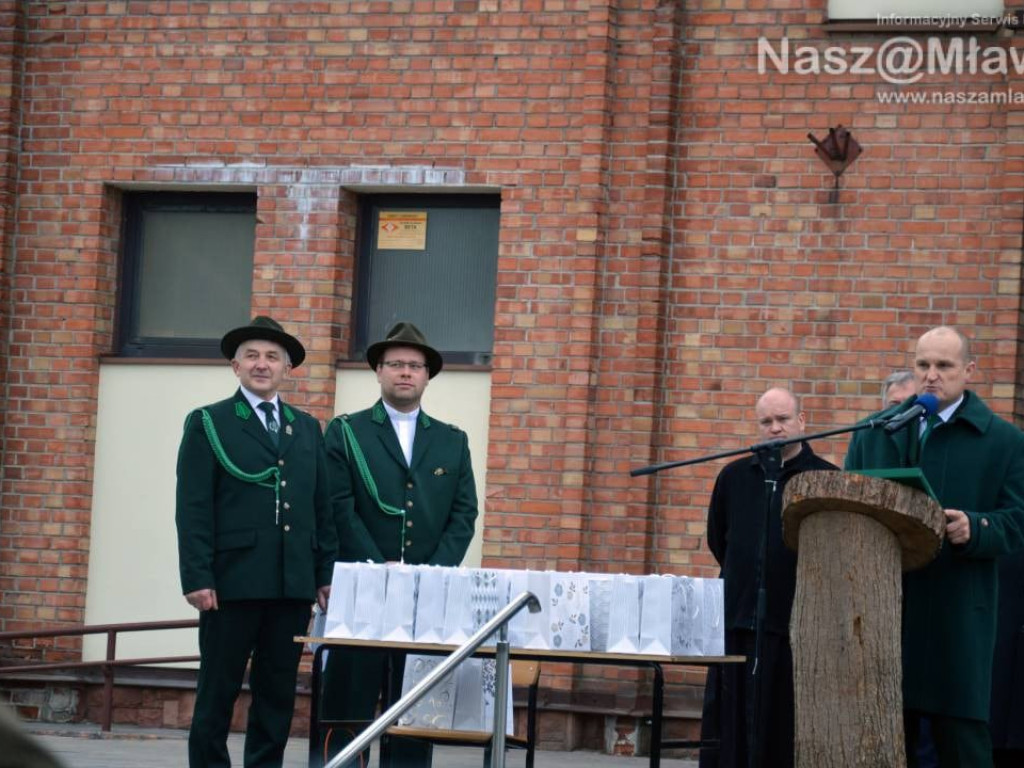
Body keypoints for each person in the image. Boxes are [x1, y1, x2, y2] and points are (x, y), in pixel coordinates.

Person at [845, 326, 1024, 768]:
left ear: (969, 371)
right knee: (882, 739)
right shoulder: (874, 432)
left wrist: (977, 528)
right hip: (885, 609)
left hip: (958, 612)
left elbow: (1018, 520)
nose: (931, 376)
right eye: (923, 365)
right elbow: (848, 505)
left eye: (943, 366)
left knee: (961, 740)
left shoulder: (1004, 442)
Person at [176, 316, 338, 768]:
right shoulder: (210, 422)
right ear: (235, 365)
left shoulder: (305, 427)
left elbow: (320, 507)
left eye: (272, 357)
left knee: (277, 693)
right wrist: (197, 575)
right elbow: (192, 507)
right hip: (231, 583)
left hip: (291, 584)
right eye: (252, 355)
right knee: (218, 690)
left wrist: (324, 574)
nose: (261, 364)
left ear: (287, 368)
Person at [320, 321, 479, 767]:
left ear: (428, 375)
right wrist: (376, 565)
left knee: (413, 708)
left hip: (426, 594)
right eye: (395, 365)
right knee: (347, 704)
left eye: (414, 365)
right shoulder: (346, 431)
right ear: (378, 372)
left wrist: (431, 571)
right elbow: (338, 505)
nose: (404, 373)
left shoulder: (452, 439)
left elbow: (463, 513)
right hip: (362, 589)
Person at [699, 387, 837, 768]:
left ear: (802, 421)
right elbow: (719, 538)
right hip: (739, 619)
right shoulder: (734, 476)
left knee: (782, 729)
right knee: (732, 727)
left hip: (793, 626)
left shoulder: (826, 478)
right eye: (767, 422)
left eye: (783, 420)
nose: (775, 429)